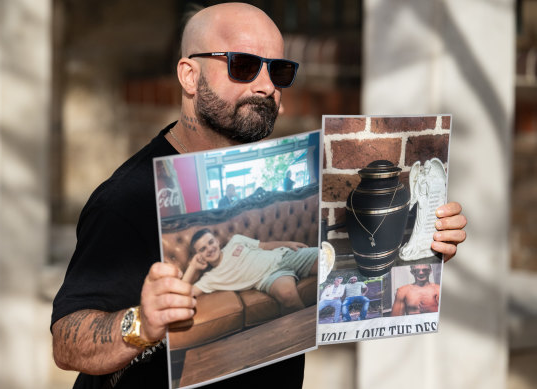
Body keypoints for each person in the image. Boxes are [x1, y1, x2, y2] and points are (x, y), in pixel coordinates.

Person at [50, 3, 468, 388]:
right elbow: (67, 342)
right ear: (189, 76)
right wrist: (142, 323)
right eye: (244, 66)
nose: (267, 85)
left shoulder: (299, 181)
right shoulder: (128, 197)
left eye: (279, 71)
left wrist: (419, 241)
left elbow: (349, 274)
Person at [182, 228, 317, 314]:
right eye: (202, 249)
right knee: (287, 294)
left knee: (327, 259)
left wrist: (288, 244)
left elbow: (264, 246)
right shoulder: (210, 278)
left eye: (210, 242)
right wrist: (192, 267)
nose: (209, 249)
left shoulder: (236, 240)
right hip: (270, 277)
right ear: (198, 255)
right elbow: (183, 296)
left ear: (217, 241)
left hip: (284, 255)